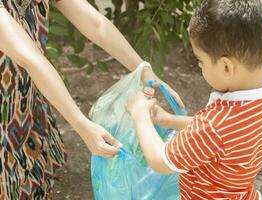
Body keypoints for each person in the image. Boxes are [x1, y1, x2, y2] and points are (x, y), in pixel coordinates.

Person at [0, 0, 184, 199]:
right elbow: (28, 57)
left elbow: (95, 23)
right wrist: (82, 125)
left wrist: (143, 69)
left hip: (23, 101)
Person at [126, 0, 262, 199]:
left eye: (201, 61)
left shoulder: (216, 125)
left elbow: (160, 160)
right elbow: (221, 135)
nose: (200, 67)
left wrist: (140, 115)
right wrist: (168, 120)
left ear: (226, 67)